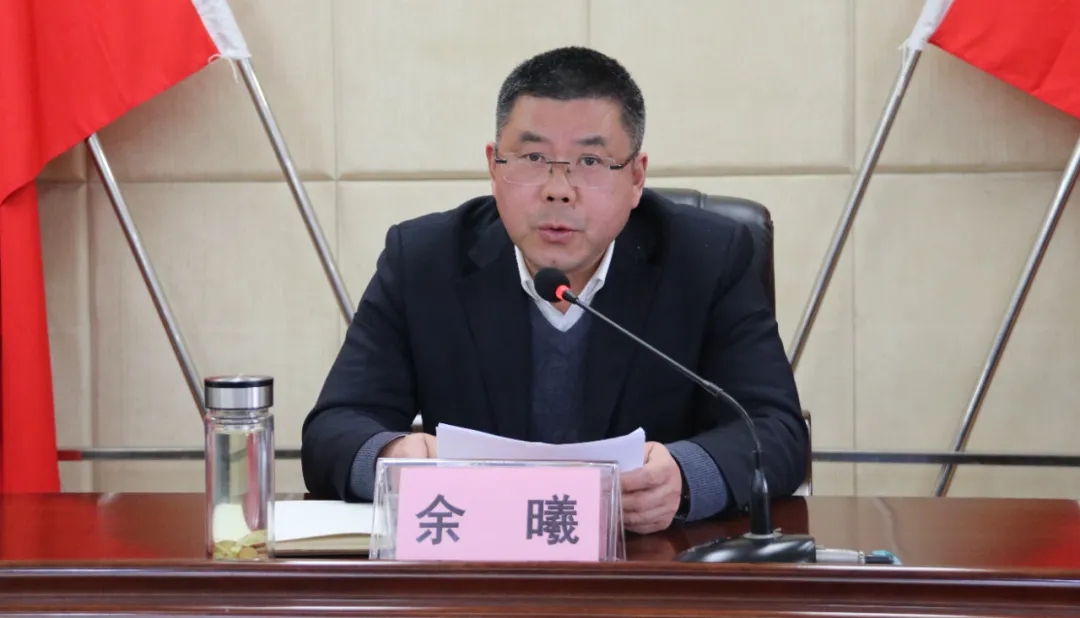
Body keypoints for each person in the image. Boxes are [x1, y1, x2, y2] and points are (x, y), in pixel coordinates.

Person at [301, 46, 808, 534]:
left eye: (590, 162)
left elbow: (775, 430)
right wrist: (392, 460)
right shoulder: (423, 260)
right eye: (532, 157)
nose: (558, 189)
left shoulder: (707, 259)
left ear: (636, 177)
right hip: (477, 562)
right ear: (494, 167)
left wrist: (685, 476)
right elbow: (334, 428)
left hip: (649, 565)